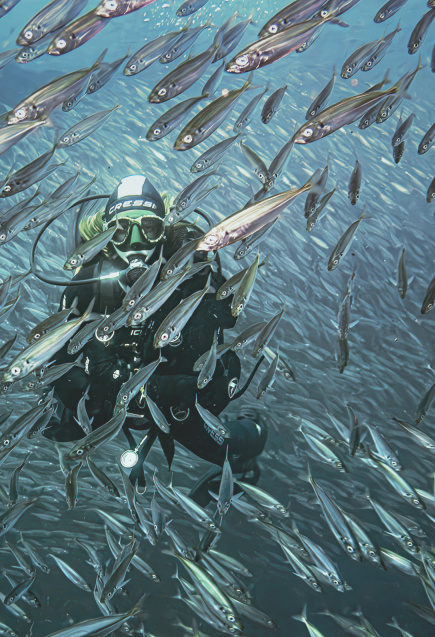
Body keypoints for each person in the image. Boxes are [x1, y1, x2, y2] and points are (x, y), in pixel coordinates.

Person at [42, 175, 267, 501]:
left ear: (164, 230)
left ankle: (252, 437)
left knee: (221, 445)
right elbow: (57, 356)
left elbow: (205, 345)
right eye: (121, 230)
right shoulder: (89, 280)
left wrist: (155, 387)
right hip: (111, 394)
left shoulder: (190, 273)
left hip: (177, 396)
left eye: (148, 228)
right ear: (106, 233)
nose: (135, 241)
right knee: (56, 423)